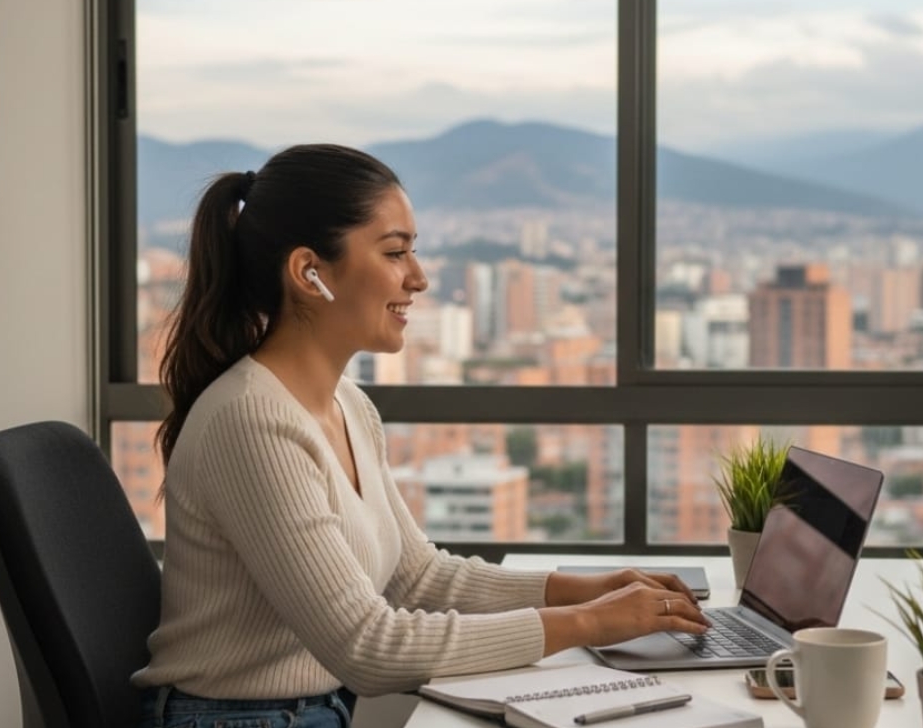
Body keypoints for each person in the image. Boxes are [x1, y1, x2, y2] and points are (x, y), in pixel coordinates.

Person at [132, 143, 710, 728]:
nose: (420, 278)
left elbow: (417, 577)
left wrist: (586, 590)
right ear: (309, 272)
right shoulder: (250, 422)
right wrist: (591, 623)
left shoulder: (348, 405)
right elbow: (369, 648)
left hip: (312, 712)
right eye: (395, 252)